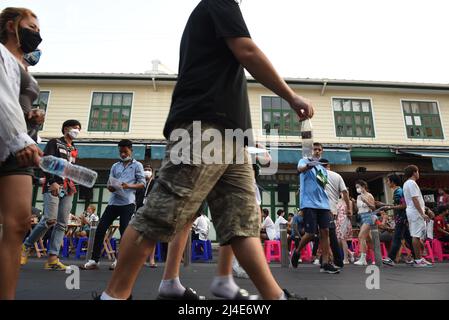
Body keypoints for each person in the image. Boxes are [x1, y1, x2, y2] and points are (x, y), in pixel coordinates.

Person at [98, 0, 313, 300]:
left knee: (242, 223)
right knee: (161, 212)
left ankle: (275, 297)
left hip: (233, 136)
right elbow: (247, 50)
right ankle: (114, 297)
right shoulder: (219, 2)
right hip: (204, 126)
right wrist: (290, 96)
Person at [0, 7, 44, 299]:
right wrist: (20, 139)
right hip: (13, 141)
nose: (37, 35)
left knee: (17, 226)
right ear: (11, 25)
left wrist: (33, 120)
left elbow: (16, 103)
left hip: (18, 146)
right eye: (31, 27)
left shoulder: (24, 66)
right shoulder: (1, 55)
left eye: (39, 30)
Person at [22, 119, 81, 271]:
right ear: (66, 128)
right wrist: (52, 181)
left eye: (79, 128)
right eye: (75, 128)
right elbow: (46, 163)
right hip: (53, 185)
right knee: (49, 219)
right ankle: (25, 246)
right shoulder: (55, 142)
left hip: (69, 187)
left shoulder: (74, 148)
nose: (77, 130)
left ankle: (53, 259)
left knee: (62, 223)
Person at [81, 139, 145, 271]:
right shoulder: (115, 166)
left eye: (125, 151)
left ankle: (120, 260)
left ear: (131, 150)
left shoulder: (137, 165)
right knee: (100, 229)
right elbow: (109, 183)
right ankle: (94, 260)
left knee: (124, 231)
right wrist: (110, 187)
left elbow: (142, 183)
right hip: (113, 202)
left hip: (127, 203)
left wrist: (128, 186)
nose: (123, 154)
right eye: (121, 151)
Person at [291, 143, 339, 274]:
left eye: (319, 150)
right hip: (309, 204)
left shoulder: (322, 169)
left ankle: (325, 263)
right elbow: (300, 169)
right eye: (315, 149)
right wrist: (308, 166)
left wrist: (330, 206)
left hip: (323, 205)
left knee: (325, 232)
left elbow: (322, 186)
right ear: (310, 151)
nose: (317, 151)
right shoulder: (304, 161)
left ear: (321, 152)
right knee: (310, 233)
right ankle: (297, 252)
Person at [321, 158, 352, 268]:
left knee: (327, 235)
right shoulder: (337, 176)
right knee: (330, 234)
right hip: (332, 210)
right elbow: (345, 193)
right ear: (329, 165)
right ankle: (331, 259)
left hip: (321, 209)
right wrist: (349, 208)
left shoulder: (318, 175)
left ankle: (330, 259)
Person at [402, 165, 434, 267]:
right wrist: (422, 213)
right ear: (414, 172)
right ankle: (418, 259)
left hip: (413, 211)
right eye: (418, 171)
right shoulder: (411, 183)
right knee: (416, 235)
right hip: (415, 212)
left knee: (417, 235)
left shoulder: (407, 183)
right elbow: (415, 199)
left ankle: (419, 258)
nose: (418, 173)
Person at [353, 180, 377, 266]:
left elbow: (374, 208)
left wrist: (365, 201)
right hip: (361, 217)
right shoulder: (359, 197)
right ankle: (377, 258)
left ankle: (363, 259)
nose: (357, 189)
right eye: (356, 187)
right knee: (369, 239)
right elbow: (358, 209)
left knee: (361, 236)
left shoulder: (369, 195)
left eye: (358, 187)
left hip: (369, 216)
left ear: (363, 187)